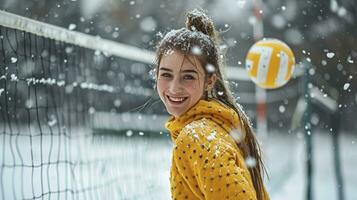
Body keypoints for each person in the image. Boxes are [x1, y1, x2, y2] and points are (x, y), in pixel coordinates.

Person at [154, 9, 270, 200]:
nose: (174, 88)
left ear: (210, 81)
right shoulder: (218, 125)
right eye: (166, 74)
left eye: (188, 77)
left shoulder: (197, 137)